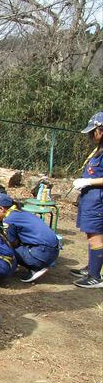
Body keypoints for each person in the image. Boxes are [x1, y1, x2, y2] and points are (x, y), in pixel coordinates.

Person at [0, 193, 59, 283]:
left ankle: (36, 267)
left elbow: (12, 243)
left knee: (5, 248)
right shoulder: (22, 212)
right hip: (54, 251)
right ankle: (44, 262)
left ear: (1, 208)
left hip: (41, 253)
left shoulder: (9, 219)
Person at [70, 111, 103, 289]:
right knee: (91, 234)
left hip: (98, 199)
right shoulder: (98, 150)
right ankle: (91, 267)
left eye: (93, 132)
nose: (91, 136)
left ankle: (95, 276)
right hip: (90, 198)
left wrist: (89, 181)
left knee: (96, 236)